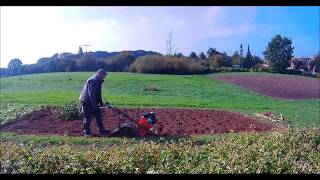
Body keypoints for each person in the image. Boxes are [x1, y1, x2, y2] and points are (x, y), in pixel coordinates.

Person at [79, 69, 109, 136]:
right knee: (87, 117)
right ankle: (86, 132)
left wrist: (100, 102)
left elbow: (98, 93)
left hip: (92, 101)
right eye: (104, 75)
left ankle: (101, 129)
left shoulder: (98, 81)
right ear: (100, 74)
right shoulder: (92, 81)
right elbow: (91, 94)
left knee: (98, 115)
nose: (104, 77)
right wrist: (95, 105)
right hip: (86, 101)